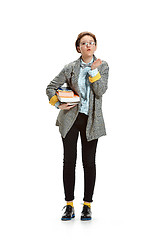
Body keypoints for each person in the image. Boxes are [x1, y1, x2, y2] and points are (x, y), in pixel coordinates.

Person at [46, 31, 109, 221]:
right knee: (69, 161)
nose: (88, 45)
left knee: (89, 162)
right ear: (78, 48)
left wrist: (93, 71)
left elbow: (100, 91)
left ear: (95, 46)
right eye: (84, 43)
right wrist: (58, 103)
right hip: (70, 120)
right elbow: (50, 87)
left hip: (91, 121)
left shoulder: (103, 66)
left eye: (91, 42)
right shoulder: (70, 67)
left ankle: (87, 205)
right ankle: (69, 205)